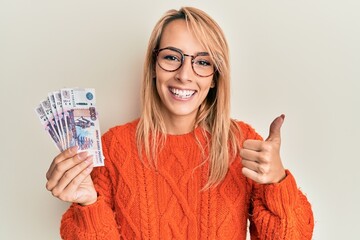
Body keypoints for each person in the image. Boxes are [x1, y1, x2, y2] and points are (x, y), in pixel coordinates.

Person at [45, 6, 314, 239]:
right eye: (172, 57)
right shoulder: (114, 147)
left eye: (203, 62)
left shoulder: (241, 142)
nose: (185, 75)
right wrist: (89, 206)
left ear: (215, 78)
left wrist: (276, 182)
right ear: (153, 65)